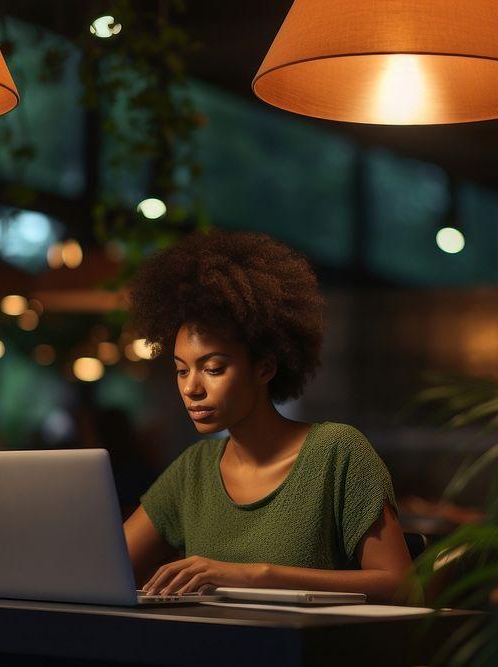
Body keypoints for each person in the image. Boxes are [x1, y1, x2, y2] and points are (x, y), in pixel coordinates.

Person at [123, 231, 412, 603]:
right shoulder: (193, 470)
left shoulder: (337, 453)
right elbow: (101, 570)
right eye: (182, 370)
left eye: (212, 368)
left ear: (265, 368)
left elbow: (404, 588)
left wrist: (257, 575)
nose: (191, 388)